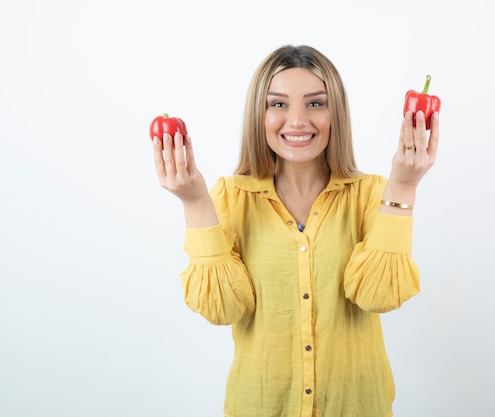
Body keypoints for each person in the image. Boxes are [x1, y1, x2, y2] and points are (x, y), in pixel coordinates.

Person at [152, 44, 439, 417]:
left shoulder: (373, 195)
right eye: (279, 104)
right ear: (260, 113)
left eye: (315, 103)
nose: (298, 120)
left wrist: (404, 184)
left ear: (336, 113)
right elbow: (223, 308)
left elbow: (377, 295)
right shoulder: (230, 197)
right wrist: (194, 202)